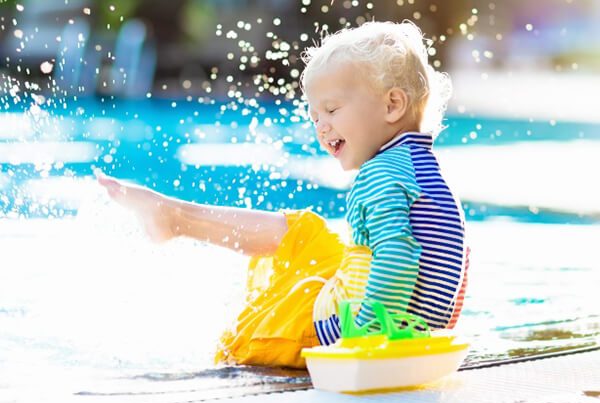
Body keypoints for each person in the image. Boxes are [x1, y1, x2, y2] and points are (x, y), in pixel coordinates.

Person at [98, 20, 469, 369]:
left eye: (332, 110)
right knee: (304, 231)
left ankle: (175, 222)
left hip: (338, 330)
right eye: (314, 117)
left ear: (392, 105)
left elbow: (398, 259)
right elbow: (454, 259)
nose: (321, 127)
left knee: (246, 336)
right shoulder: (427, 173)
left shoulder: (379, 176)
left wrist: (364, 341)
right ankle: (175, 218)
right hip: (386, 312)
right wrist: (437, 328)